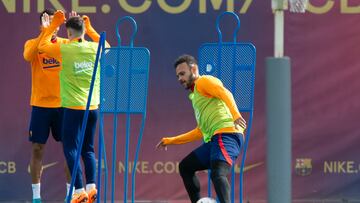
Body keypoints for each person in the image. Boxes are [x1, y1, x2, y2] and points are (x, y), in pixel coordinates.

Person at [156, 55, 247, 203]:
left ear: (193, 69)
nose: (180, 78)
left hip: (227, 134)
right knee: (185, 167)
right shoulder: (196, 96)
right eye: (177, 75)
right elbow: (200, 131)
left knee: (218, 173)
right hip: (214, 140)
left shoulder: (204, 81)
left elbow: (225, 93)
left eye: (182, 73)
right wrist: (170, 141)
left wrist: (236, 115)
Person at [38, 10, 106, 203]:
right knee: (88, 149)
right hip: (92, 107)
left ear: (68, 33)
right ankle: (91, 188)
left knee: (71, 148)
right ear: (83, 30)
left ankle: (78, 191)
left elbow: (42, 47)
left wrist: (52, 26)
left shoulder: (65, 48)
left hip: (73, 108)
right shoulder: (95, 48)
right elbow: (108, 46)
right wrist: (91, 29)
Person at [23, 8, 72, 203]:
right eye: (49, 22)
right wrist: (45, 32)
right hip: (40, 106)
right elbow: (28, 56)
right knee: (37, 149)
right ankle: (36, 197)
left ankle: (70, 195)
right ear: (41, 24)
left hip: (64, 105)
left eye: (56, 23)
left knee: (70, 149)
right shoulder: (32, 44)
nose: (54, 27)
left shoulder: (65, 44)